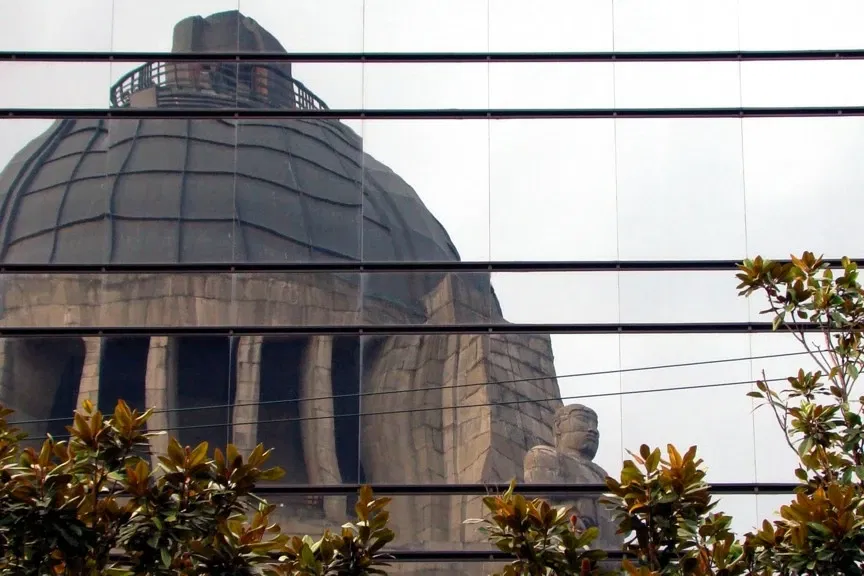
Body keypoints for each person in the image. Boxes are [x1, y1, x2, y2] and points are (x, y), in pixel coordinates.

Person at [523, 404, 620, 549]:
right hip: (569, 546)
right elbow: (542, 504)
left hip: (608, 553)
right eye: (582, 419)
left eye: (595, 424)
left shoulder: (602, 475)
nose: (592, 429)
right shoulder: (543, 456)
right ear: (558, 426)